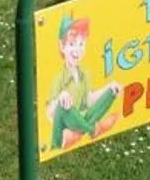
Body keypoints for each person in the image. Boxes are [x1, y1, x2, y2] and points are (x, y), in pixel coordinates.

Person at [44, 14, 120, 154]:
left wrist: (108, 89)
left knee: (111, 93)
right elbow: (49, 112)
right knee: (66, 107)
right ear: (62, 46)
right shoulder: (59, 77)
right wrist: (60, 98)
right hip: (62, 126)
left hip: (81, 118)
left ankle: (81, 131)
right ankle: (93, 129)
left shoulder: (84, 73)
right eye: (72, 44)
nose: (77, 49)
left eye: (81, 44)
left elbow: (89, 100)